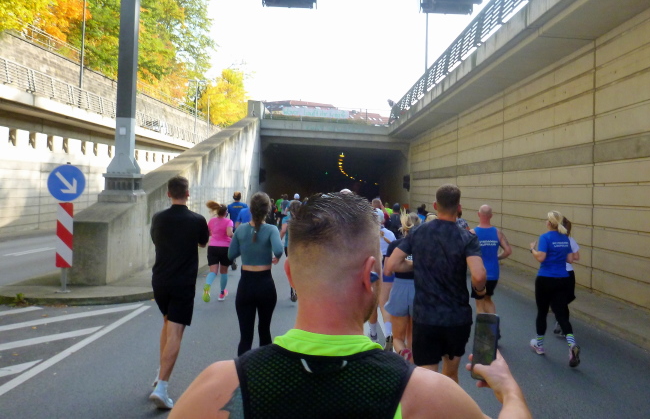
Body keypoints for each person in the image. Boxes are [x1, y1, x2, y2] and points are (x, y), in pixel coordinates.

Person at [169, 192, 531, 419]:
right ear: (369, 275)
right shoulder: (427, 396)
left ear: (291, 274)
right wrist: (509, 390)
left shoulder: (218, 386)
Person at [390, 184, 487, 383]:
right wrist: (480, 291)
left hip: (425, 317)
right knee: (450, 376)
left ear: (435, 206)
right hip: (456, 318)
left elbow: (393, 264)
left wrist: (419, 264)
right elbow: (478, 276)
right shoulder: (467, 237)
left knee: (426, 377)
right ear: (458, 208)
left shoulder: (418, 232)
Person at [148, 176, 209, 409]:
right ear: (188, 193)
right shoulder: (197, 220)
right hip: (182, 282)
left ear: (168, 194)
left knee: (166, 322)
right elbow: (203, 243)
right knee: (176, 332)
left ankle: (159, 373)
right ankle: (162, 388)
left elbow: (155, 240)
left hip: (160, 280)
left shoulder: (158, 218)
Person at [228, 192, 284, 355]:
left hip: (246, 284)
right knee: (264, 331)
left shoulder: (241, 230)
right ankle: (264, 368)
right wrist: (276, 257)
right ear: (268, 210)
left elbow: (231, 254)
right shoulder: (271, 229)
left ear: (250, 209)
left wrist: (246, 248)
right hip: (265, 284)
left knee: (245, 336)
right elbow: (278, 250)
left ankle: (243, 369)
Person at [529, 210, 581, 367]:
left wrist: (532, 249)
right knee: (561, 314)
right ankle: (572, 344)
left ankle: (539, 344)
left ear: (549, 223)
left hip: (545, 278)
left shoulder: (545, 237)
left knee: (542, 312)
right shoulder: (565, 238)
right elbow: (570, 259)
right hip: (562, 279)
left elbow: (541, 257)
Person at [383, 212, 421, 361]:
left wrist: (403, 264)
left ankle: (404, 356)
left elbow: (387, 270)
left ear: (404, 227)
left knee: (398, 337)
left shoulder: (395, 245)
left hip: (399, 289)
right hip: (419, 289)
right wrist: (415, 265)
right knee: (413, 335)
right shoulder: (424, 246)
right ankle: (412, 364)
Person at [473, 205, 513, 315]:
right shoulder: (497, 232)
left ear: (478, 214)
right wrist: (497, 257)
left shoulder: (473, 233)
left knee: (479, 302)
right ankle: (493, 323)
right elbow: (508, 251)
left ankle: (482, 325)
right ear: (491, 216)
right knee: (488, 299)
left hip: (478, 273)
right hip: (493, 273)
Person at [368, 207, 395, 350]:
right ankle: (389, 332)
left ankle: (373, 334)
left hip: (372, 271)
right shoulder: (390, 234)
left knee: (372, 304)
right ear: (382, 220)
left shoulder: (365, 235)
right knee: (385, 304)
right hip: (387, 271)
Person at [203, 201, 234, 302]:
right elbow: (229, 233)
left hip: (212, 247)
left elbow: (209, 233)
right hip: (225, 248)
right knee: (224, 272)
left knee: (213, 271)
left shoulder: (212, 221)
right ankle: (221, 293)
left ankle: (207, 285)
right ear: (225, 213)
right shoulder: (228, 221)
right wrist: (235, 236)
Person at [554, 216, 580, 336]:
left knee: (559, 301)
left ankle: (561, 322)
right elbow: (576, 257)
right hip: (569, 274)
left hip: (557, 273)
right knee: (564, 300)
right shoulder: (570, 240)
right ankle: (562, 324)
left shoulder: (552, 239)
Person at [279, 199, 302, 301]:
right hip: (302, 246)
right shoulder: (304, 219)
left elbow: (283, 230)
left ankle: (293, 289)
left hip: (289, 245)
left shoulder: (287, 219)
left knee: (292, 267)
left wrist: (278, 240)